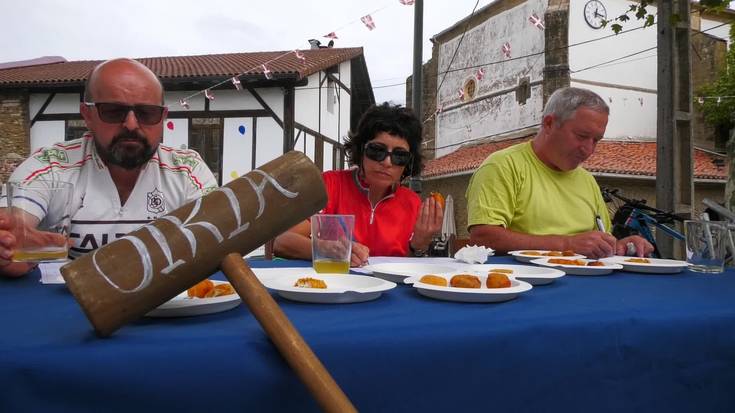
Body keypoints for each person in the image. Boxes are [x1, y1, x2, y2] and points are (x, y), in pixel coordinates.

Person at [0, 58, 217, 277]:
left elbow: (215, 241)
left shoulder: (189, 170)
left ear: (162, 118)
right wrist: (10, 247)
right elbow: (15, 225)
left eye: (147, 113)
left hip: (167, 303)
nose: (131, 124)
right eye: (113, 111)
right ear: (87, 115)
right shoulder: (50, 165)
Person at [466, 87, 652, 259]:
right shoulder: (503, 166)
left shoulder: (587, 181)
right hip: (525, 284)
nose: (588, 150)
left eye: (596, 140)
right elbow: (483, 237)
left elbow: (600, 240)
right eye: (581, 136)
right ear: (548, 124)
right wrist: (566, 244)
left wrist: (621, 245)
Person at [273, 102, 443, 266]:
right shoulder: (330, 185)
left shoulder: (412, 203)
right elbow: (282, 242)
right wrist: (326, 249)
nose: (387, 162)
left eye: (400, 156)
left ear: (409, 162)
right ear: (360, 150)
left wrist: (418, 246)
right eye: (377, 150)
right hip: (333, 287)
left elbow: (406, 267)